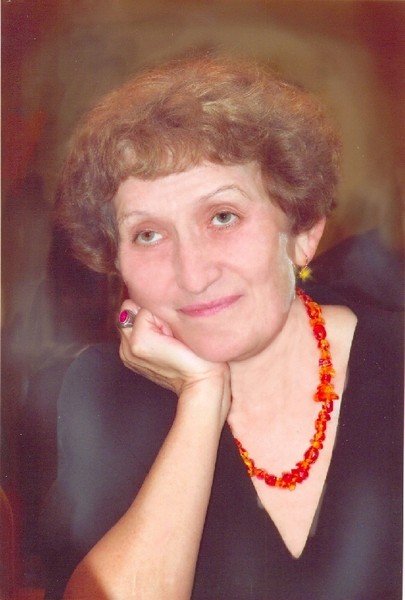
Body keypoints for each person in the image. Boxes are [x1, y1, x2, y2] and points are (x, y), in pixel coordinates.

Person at [40, 55, 402, 599]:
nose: (193, 274)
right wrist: (202, 400)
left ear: (302, 232)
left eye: (222, 217)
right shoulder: (103, 394)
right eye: (147, 235)